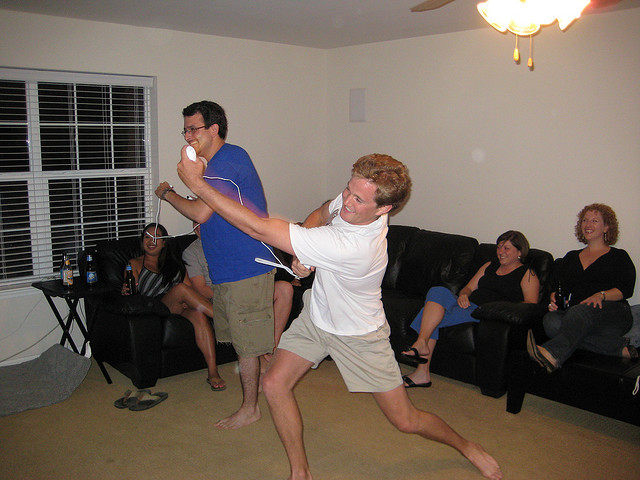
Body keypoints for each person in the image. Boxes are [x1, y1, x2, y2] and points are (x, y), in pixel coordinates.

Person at [177, 151, 504, 480]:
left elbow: (259, 229)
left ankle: (467, 446)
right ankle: (300, 472)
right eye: (348, 189)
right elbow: (323, 212)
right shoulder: (352, 203)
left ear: (384, 209)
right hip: (317, 318)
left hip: (359, 334)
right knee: (274, 383)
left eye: (358, 199)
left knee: (406, 421)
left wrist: (198, 185)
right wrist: (301, 256)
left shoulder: (354, 245)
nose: (347, 201)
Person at [156, 100, 275, 429]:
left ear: (214, 128)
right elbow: (209, 209)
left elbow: (199, 211)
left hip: (246, 267)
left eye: (193, 129)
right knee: (242, 340)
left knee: (246, 347)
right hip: (226, 269)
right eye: (185, 130)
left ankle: (250, 408)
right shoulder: (210, 167)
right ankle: (269, 378)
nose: (188, 136)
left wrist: (167, 194)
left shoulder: (228, 159)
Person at [401, 231, 540, 388]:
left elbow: (530, 305)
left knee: (430, 315)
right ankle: (421, 347)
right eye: (499, 247)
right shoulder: (489, 265)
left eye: (506, 248)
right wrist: (464, 295)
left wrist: (501, 308)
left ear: (520, 252)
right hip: (467, 305)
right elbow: (468, 288)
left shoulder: (527, 274)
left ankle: (421, 365)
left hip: (485, 313)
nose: (501, 251)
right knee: (437, 291)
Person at [527, 203, 637, 372]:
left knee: (580, 310)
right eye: (585, 220)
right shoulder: (571, 257)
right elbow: (558, 287)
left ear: (606, 227)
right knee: (551, 321)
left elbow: (626, 289)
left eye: (594, 221)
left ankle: (552, 354)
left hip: (613, 313)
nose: (588, 224)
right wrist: (554, 299)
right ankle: (618, 348)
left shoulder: (619, 256)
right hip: (577, 315)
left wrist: (601, 295)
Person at [123, 223, 225, 390]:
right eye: (147, 237)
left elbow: (190, 289)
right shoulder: (134, 263)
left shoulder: (174, 261)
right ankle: (226, 319)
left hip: (180, 305)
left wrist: (186, 299)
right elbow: (131, 291)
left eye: (156, 237)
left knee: (199, 315)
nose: (151, 241)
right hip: (156, 306)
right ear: (142, 241)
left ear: (164, 242)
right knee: (180, 289)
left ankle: (213, 372)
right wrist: (125, 291)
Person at [183, 220, 294, 372]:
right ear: (194, 229)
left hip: (245, 289)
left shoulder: (229, 242)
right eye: (197, 225)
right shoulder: (191, 252)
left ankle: (271, 349)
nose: (201, 228)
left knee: (285, 289)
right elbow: (202, 289)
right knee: (243, 301)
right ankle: (259, 357)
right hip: (220, 296)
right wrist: (238, 292)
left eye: (205, 224)